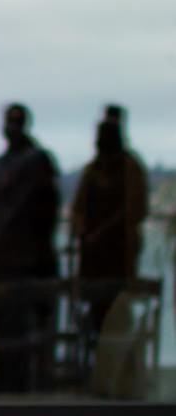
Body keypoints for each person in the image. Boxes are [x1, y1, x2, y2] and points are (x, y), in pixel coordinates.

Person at [0, 102, 60, 395]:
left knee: (23, 332)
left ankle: (19, 391)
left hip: (23, 264)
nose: (11, 127)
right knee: (2, 332)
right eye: (8, 121)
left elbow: (23, 211)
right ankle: (4, 388)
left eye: (16, 121)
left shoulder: (36, 162)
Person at [71, 105, 150, 337]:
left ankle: (120, 366)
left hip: (119, 256)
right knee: (97, 314)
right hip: (93, 261)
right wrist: (83, 232)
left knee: (118, 314)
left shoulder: (130, 168)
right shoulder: (91, 171)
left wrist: (101, 234)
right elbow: (78, 209)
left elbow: (135, 209)